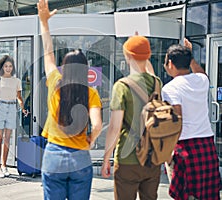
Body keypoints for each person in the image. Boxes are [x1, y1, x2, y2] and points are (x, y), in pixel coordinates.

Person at [37, 0, 103, 199]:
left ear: (64, 68)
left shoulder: (55, 82)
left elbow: (48, 54)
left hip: (53, 156)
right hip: (80, 158)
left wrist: (44, 23)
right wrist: (91, 140)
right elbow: (97, 124)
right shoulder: (90, 93)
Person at [101, 35, 162, 200]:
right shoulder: (157, 83)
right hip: (152, 158)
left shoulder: (122, 86)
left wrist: (106, 158)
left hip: (128, 159)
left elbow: (114, 127)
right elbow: (148, 71)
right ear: (148, 56)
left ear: (127, 57)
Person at [162, 38, 221, 199]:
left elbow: (176, 121)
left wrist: (168, 152)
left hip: (184, 147)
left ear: (171, 63)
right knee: (208, 194)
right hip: (207, 144)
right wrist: (190, 55)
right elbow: (201, 73)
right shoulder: (201, 80)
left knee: (185, 195)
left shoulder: (170, 88)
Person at [0, 48, 27, 178]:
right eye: (6, 66)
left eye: (10, 66)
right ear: (2, 67)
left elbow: (19, 97)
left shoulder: (17, 81)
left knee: (7, 139)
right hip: (0, 107)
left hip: (11, 109)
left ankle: (4, 165)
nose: (8, 68)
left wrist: (23, 107)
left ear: (12, 67)